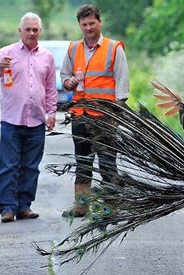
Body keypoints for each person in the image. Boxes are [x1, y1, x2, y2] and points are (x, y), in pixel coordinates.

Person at [0, 12, 57, 223]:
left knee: (31, 166)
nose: (31, 33)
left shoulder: (47, 57)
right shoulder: (6, 52)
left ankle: (24, 206)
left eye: (35, 29)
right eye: (28, 29)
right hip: (11, 120)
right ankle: (7, 207)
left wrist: (52, 112)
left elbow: (51, 88)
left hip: (37, 121)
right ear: (20, 31)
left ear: (40, 31)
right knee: (9, 165)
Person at [60, 4, 130, 217]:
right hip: (80, 115)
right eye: (84, 24)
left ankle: (112, 207)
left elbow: (122, 83)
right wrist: (69, 82)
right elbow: (64, 78)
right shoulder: (73, 49)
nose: (88, 28)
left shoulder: (113, 48)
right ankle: (82, 206)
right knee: (82, 161)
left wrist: (115, 113)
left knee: (108, 162)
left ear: (100, 22)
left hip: (105, 117)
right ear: (79, 25)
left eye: (92, 23)